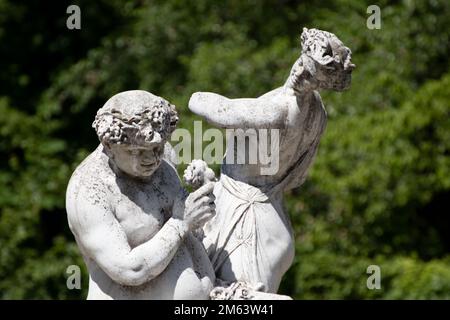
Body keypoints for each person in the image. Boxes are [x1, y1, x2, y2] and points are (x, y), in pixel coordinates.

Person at [188, 28, 355, 293]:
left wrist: (199, 95)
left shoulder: (273, 111)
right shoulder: (317, 112)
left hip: (243, 218)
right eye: (302, 63)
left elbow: (201, 103)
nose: (298, 70)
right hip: (275, 215)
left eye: (306, 69)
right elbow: (298, 176)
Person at [66, 90, 216, 299]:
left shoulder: (165, 158)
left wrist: (202, 198)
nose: (152, 159)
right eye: (137, 151)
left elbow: (186, 222)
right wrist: (181, 223)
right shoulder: (89, 190)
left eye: (157, 148)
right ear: (110, 147)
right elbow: (129, 270)